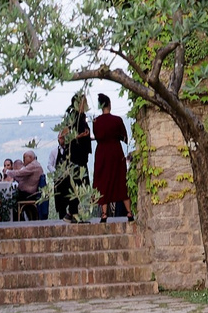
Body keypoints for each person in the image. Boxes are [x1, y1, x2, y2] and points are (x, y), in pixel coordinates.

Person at [90, 94, 131, 221]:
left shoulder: (96, 121)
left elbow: (97, 136)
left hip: (102, 153)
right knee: (120, 180)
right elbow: (125, 138)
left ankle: (104, 213)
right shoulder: (117, 120)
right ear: (109, 104)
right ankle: (129, 212)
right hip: (115, 152)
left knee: (103, 181)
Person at [53, 92, 90, 220]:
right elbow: (63, 135)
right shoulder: (72, 117)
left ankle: (74, 212)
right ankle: (72, 212)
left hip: (81, 156)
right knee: (77, 184)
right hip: (75, 157)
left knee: (81, 184)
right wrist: (79, 136)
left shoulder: (82, 117)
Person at [12, 151, 47, 221]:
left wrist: (8, 172)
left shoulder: (33, 166)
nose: (23, 160)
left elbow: (20, 173)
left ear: (30, 158)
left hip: (28, 194)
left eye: (24, 158)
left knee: (12, 200)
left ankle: (18, 220)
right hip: (28, 193)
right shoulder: (35, 165)